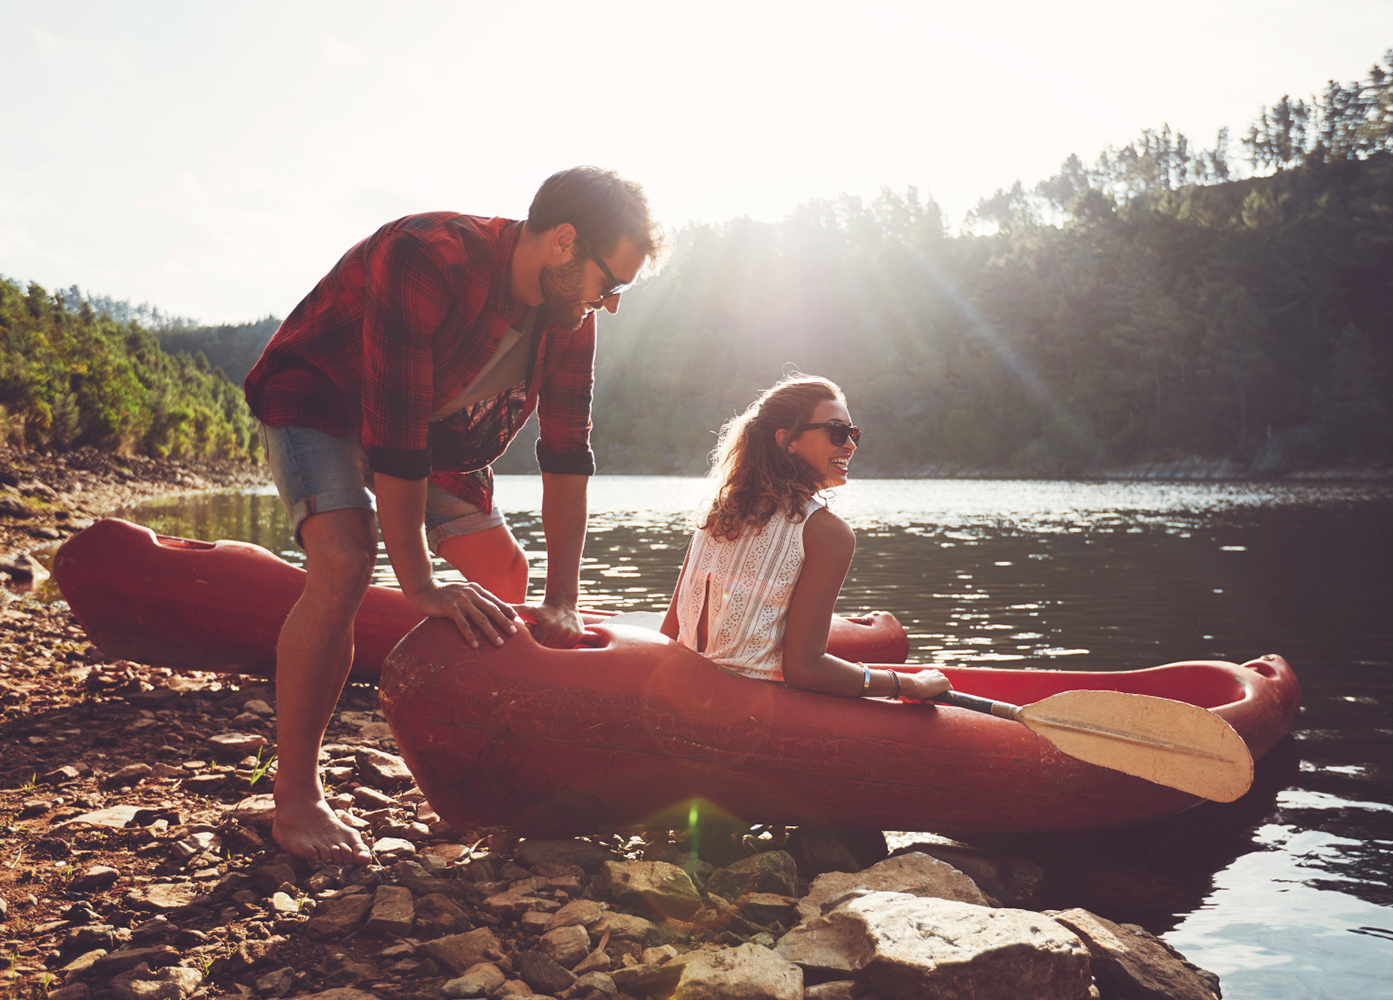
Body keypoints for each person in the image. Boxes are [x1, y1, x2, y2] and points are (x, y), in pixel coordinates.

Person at [243, 166, 666, 864]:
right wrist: (420, 585)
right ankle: (297, 800)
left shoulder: (570, 320)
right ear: (563, 241)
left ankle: (482, 765)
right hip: (319, 399)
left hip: (434, 429)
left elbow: (566, 457)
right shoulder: (429, 257)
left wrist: (563, 597)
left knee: (507, 571)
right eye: (609, 284)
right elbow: (393, 434)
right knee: (347, 562)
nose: (610, 304)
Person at [661, 374, 952, 700]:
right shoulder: (827, 533)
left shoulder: (719, 514)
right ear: (788, 441)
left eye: (853, 433)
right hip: (753, 712)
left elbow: (668, 637)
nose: (851, 444)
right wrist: (905, 683)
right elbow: (804, 669)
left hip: (684, 693)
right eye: (837, 432)